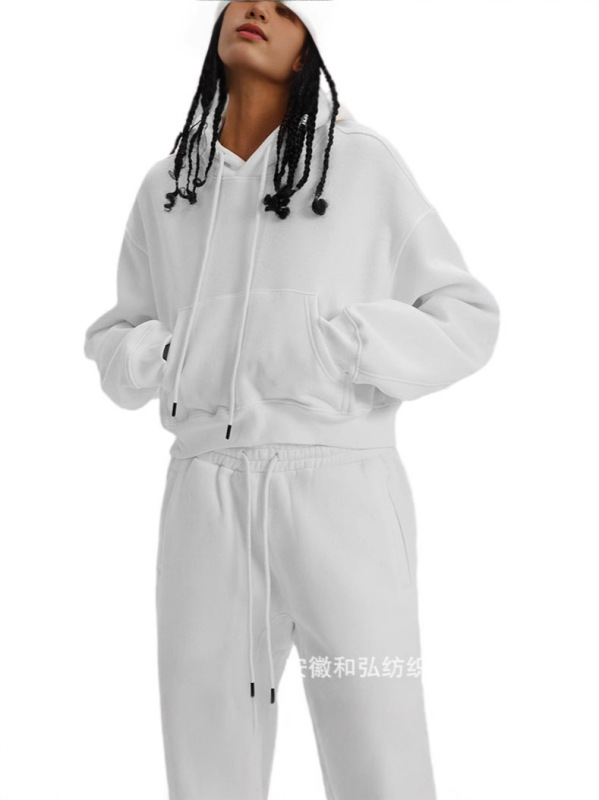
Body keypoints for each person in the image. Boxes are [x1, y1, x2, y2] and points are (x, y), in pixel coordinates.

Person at [83, 2, 501, 798]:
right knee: (207, 747)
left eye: (284, 8)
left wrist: (335, 347)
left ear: (311, 40)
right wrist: (167, 357)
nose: (256, 12)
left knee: (374, 733)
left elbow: (466, 318)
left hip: (339, 489)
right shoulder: (169, 186)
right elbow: (117, 333)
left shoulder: (361, 164)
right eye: (244, 0)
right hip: (204, 493)